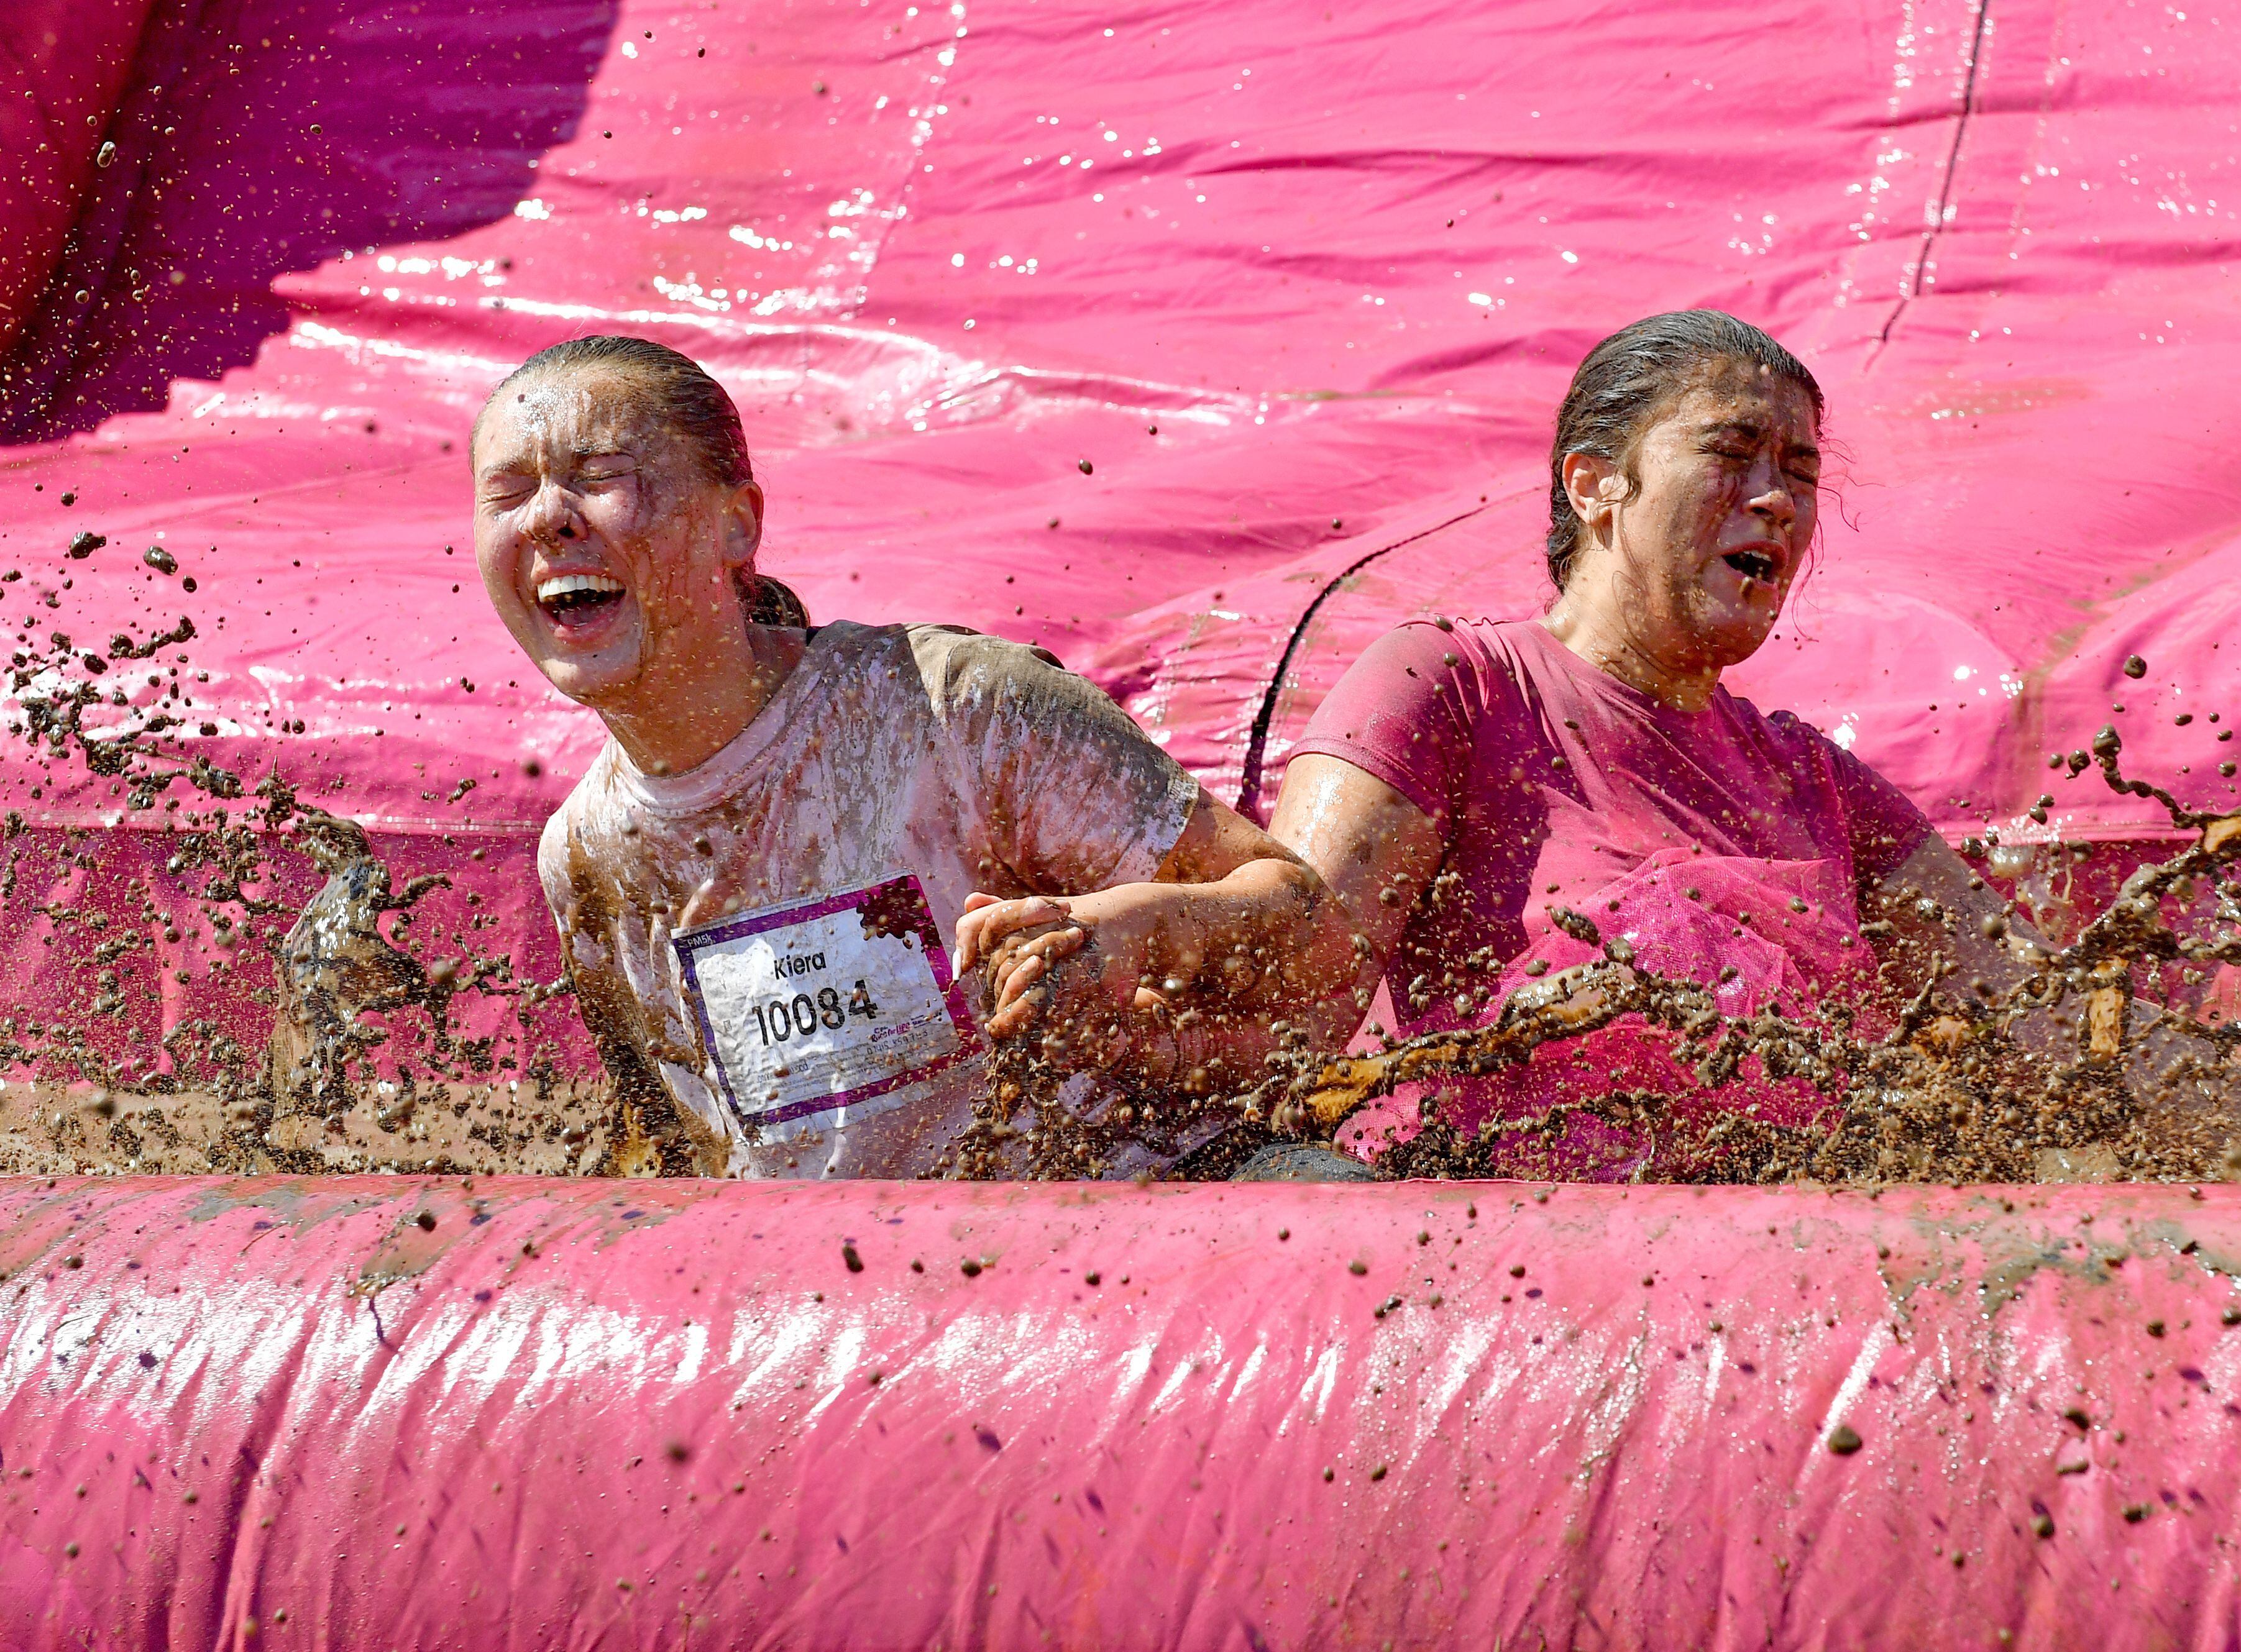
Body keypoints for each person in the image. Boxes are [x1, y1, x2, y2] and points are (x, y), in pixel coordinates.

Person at [963, 310, 2038, 1178]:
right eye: (1729, 451)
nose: (1776, 498)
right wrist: (1121, 966)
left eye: (1800, 472)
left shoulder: (1814, 777)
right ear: (1592, 485)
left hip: (1779, 1287)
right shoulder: (1454, 686)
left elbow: (2033, 1004)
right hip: (1498, 1278)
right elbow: (1300, 991)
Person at [470, 334, 1326, 1179]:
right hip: (874, 1295)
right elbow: (681, 1159)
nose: (548, 517)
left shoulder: (953, 707)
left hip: (1156, 1204)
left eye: (600, 479)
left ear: (738, 525)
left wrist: (1122, 932)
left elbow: (1312, 933)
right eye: (507, 493)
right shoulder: (583, 856)